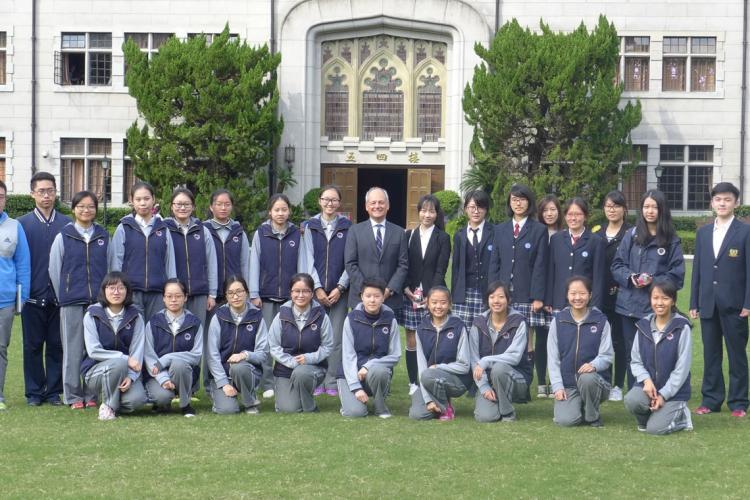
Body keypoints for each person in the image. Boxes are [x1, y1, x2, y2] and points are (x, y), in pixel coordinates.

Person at [611, 190, 684, 391]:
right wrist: (630, 277)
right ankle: (635, 392)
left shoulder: (671, 239)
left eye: (654, 207)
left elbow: (677, 275)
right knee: (630, 352)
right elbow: (617, 265)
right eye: (646, 207)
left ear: (661, 210)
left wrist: (653, 281)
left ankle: (658, 390)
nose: (650, 211)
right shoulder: (631, 235)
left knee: (654, 352)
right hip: (628, 306)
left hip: (656, 307)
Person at [690, 182, 750, 417]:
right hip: (708, 303)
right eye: (718, 199)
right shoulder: (703, 232)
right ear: (712, 203)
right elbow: (698, 269)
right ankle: (711, 399)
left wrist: (748, 302)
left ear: (736, 203)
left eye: (727, 199)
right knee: (710, 354)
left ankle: (739, 402)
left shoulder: (745, 231)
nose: (722, 203)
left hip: (735, 305)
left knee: (737, 354)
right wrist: (694, 301)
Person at [49, 190, 108, 409]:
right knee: (73, 349)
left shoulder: (102, 235)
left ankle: (92, 394)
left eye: (90, 206)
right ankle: (73, 396)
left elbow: (110, 267)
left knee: (95, 349)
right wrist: (64, 293)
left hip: (97, 304)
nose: (86, 210)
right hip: (71, 301)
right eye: (81, 206)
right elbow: (54, 269)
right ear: (73, 209)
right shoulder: (64, 236)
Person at [18, 172, 71, 406]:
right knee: (32, 346)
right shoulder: (22, 224)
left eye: (50, 190)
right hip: (32, 296)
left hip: (59, 297)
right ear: (32, 194)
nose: (46, 195)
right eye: (41, 191)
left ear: (56, 192)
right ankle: (34, 392)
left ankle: (53, 391)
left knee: (57, 345)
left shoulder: (67, 224)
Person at [249, 193, 307, 399]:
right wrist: (254, 293)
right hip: (265, 296)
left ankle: (288, 378)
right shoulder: (261, 233)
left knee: (290, 340)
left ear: (289, 211)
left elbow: (301, 265)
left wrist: (300, 293)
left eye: (284, 209)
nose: (280, 213)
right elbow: (254, 263)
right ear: (270, 212)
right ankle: (266, 383)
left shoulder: (296, 234)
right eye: (277, 210)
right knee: (264, 342)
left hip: (290, 299)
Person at [489, 184, 547, 376]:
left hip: (526, 292)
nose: (518, 203)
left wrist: (537, 296)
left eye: (522, 199)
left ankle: (526, 378)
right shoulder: (500, 229)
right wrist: (493, 292)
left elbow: (541, 265)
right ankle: (502, 374)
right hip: (503, 292)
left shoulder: (538, 230)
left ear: (529, 202)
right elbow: (495, 262)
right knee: (504, 334)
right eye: (514, 199)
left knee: (527, 337)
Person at [625, 279, 693, 434]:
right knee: (632, 400)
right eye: (655, 298)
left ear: (673, 301)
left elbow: (682, 369)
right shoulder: (642, 325)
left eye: (665, 298)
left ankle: (682, 416)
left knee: (655, 430)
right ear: (650, 300)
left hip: (673, 392)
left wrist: (663, 394)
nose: (659, 303)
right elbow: (635, 361)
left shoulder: (681, 327)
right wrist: (647, 381)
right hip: (650, 388)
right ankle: (648, 418)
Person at [302, 185, 352, 398]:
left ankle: (332, 379)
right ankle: (316, 379)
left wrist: (340, 287)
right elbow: (307, 258)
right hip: (315, 293)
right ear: (320, 201)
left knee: (337, 337)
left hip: (340, 293)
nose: (329, 203)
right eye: (326, 199)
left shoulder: (348, 227)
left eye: (334, 200)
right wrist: (318, 288)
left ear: (339, 203)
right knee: (314, 337)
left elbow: (351, 260)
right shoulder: (309, 226)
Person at [547, 276, 613, 427]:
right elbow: (553, 358)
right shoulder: (558, 321)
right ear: (567, 295)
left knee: (587, 378)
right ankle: (579, 406)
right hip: (569, 384)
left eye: (582, 293)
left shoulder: (601, 321)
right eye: (573, 293)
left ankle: (592, 416)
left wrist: (594, 365)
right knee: (565, 421)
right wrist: (557, 386)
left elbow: (607, 355)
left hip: (596, 382)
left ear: (590, 295)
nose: (577, 298)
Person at [81, 272, 148, 420]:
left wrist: (131, 377)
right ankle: (108, 407)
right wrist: (124, 358)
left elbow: (137, 351)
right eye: (111, 288)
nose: (116, 292)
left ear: (127, 291)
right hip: (95, 371)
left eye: (120, 288)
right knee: (118, 363)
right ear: (104, 290)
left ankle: (112, 400)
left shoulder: (136, 316)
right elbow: (93, 351)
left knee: (137, 400)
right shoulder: (92, 314)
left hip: (126, 372)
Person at [402, 194, 451, 396]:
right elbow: (403, 265)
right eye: (424, 210)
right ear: (418, 211)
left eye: (431, 211)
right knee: (411, 338)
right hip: (410, 295)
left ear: (436, 214)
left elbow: (441, 269)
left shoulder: (442, 238)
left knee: (432, 338)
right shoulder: (409, 235)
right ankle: (413, 381)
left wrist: (431, 295)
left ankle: (430, 378)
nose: (427, 215)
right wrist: (406, 288)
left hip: (433, 297)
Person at [203, 188, 251, 390]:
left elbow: (245, 262)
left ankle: (237, 380)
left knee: (235, 337)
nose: (223, 208)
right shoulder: (203, 229)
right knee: (211, 340)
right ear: (211, 207)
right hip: (212, 295)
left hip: (236, 293)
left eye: (227, 204)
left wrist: (248, 293)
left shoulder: (238, 231)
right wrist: (210, 292)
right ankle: (209, 382)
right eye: (219, 204)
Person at [109, 181, 176, 322]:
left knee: (156, 332)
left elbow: (169, 262)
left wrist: (171, 290)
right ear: (131, 201)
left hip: (157, 292)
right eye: (138, 199)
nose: (143, 203)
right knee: (133, 332)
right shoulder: (124, 227)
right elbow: (116, 262)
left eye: (146, 199)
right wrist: (118, 289)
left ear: (154, 200)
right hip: (131, 292)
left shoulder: (162, 228)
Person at [268, 273, 333, 413]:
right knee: (288, 409)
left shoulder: (321, 316)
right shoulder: (281, 315)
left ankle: (310, 407)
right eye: (297, 291)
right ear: (291, 293)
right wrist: (292, 362)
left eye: (306, 291)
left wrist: (309, 358)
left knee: (301, 373)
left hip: (312, 368)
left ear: (312, 293)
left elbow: (328, 346)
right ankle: (293, 397)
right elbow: (273, 346)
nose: (301, 295)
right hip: (285, 369)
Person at [337, 278, 401, 418]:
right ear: (361, 297)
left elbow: (395, 355)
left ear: (383, 297)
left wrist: (369, 365)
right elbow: (348, 356)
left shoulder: (390, 320)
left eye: (377, 296)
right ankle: (350, 404)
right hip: (350, 374)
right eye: (368, 296)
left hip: (375, 372)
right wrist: (355, 387)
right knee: (355, 413)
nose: (372, 300)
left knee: (379, 370)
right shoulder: (351, 319)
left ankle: (380, 407)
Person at [206, 275, 268, 414]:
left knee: (238, 367)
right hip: (222, 374)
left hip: (247, 371)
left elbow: (263, 354)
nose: (236, 296)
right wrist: (224, 383)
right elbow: (212, 355)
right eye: (231, 293)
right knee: (228, 410)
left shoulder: (257, 316)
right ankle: (216, 392)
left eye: (239, 291)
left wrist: (245, 355)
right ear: (226, 296)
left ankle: (250, 402)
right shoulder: (219, 317)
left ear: (246, 292)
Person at [471, 282, 532, 422]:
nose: (496, 301)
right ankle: (495, 401)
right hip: (488, 380)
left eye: (501, 297)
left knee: (498, 369)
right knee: (485, 417)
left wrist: (486, 360)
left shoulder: (519, 322)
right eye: (492, 297)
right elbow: (474, 360)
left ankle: (507, 412)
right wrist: (484, 387)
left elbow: (515, 357)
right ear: (487, 300)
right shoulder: (478, 323)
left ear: (508, 300)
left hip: (517, 377)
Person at [592, 191, 632, 402]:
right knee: (600, 340)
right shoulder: (597, 232)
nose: (612, 209)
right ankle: (603, 381)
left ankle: (618, 384)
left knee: (620, 341)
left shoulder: (631, 233)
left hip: (622, 294)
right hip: (599, 294)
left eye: (616, 206)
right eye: (608, 206)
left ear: (624, 208)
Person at [409, 286, 470, 421]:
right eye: (434, 302)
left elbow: (465, 365)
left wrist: (438, 367)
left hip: (457, 380)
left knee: (429, 374)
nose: (438, 306)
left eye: (443, 302)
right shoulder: (421, 328)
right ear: (427, 303)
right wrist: (427, 400)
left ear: (450, 304)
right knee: (417, 414)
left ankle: (446, 408)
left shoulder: (459, 326)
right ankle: (437, 403)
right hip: (429, 380)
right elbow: (422, 367)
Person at [344, 187, 408, 315]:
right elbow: (350, 264)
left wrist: (389, 290)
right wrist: (368, 291)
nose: (377, 206)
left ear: (388, 205)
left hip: (390, 299)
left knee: (388, 334)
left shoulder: (399, 232)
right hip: (361, 298)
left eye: (381, 202)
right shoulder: (354, 231)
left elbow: (403, 265)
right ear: (367, 206)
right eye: (373, 203)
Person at [143, 279, 203, 417]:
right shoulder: (153, 322)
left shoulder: (194, 323)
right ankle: (162, 402)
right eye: (169, 296)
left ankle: (185, 404)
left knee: (179, 364)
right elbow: (149, 356)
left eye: (178, 296)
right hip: (157, 374)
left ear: (185, 297)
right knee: (162, 397)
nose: (173, 300)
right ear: (163, 298)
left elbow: (196, 355)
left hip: (184, 372)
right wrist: (163, 378)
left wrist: (167, 358)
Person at [163, 187, 217, 331]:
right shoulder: (164, 230)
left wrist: (212, 294)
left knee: (197, 331)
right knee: (175, 331)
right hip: (175, 294)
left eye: (186, 204)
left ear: (193, 207)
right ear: (172, 206)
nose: (182, 207)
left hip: (199, 292)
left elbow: (212, 263)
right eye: (178, 204)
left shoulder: (202, 231)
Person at [0, 180, 31, 411]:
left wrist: (22, 297)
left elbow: (23, 265)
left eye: (0, 196)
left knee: (1, 348)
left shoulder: (14, 226)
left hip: (6, 300)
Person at [545, 197, 606, 313]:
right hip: (559, 302)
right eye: (569, 214)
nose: (573, 218)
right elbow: (551, 272)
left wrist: (596, 306)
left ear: (585, 216)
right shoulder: (556, 239)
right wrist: (548, 300)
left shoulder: (596, 241)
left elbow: (599, 278)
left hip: (584, 303)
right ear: (565, 216)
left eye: (578, 214)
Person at [451, 190, 495, 330]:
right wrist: (454, 294)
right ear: (465, 209)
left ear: (486, 209)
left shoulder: (495, 232)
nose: (476, 211)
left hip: (486, 291)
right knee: (463, 331)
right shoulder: (459, 236)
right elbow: (456, 268)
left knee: (484, 330)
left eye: (480, 207)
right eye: (472, 207)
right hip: (464, 292)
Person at [534, 194, 562, 398]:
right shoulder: (535, 233)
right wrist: (540, 297)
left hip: (557, 296)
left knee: (558, 342)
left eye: (553, 209)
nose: (549, 214)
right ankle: (541, 382)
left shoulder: (563, 234)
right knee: (541, 340)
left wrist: (551, 299)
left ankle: (556, 381)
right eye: (545, 210)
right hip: (538, 295)